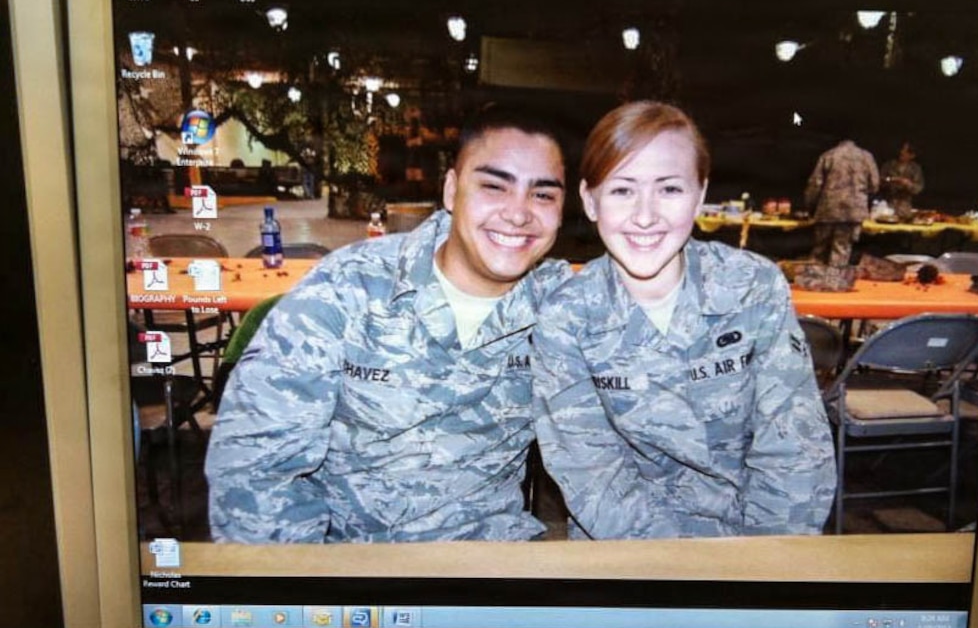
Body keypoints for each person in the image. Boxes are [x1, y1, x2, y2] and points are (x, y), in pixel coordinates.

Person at [205, 105, 569, 543]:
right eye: (494, 186)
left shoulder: (565, 309)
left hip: (487, 568)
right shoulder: (349, 288)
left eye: (543, 195)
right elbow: (254, 469)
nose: (518, 213)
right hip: (350, 567)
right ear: (452, 190)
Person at [531, 101, 835, 540]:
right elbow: (590, 472)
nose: (645, 215)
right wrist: (679, 574)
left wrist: (765, 566)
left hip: (755, 540)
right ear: (590, 201)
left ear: (700, 195)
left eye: (669, 189)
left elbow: (793, 447)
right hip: (626, 549)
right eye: (622, 190)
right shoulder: (567, 316)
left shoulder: (752, 287)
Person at [803, 138, 880, 266]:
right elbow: (874, 185)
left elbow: (815, 185)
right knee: (842, 250)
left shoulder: (828, 155)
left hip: (828, 209)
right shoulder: (866, 157)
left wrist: (810, 207)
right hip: (853, 212)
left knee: (820, 249)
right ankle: (835, 281)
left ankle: (814, 281)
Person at [880, 141, 925, 221]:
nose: (902, 152)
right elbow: (879, 181)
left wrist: (907, 184)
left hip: (905, 207)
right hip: (887, 205)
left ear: (912, 155)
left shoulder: (915, 169)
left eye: (906, 151)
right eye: (902, 149)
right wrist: (891, 180)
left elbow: (918, 188)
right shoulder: (889, 165)